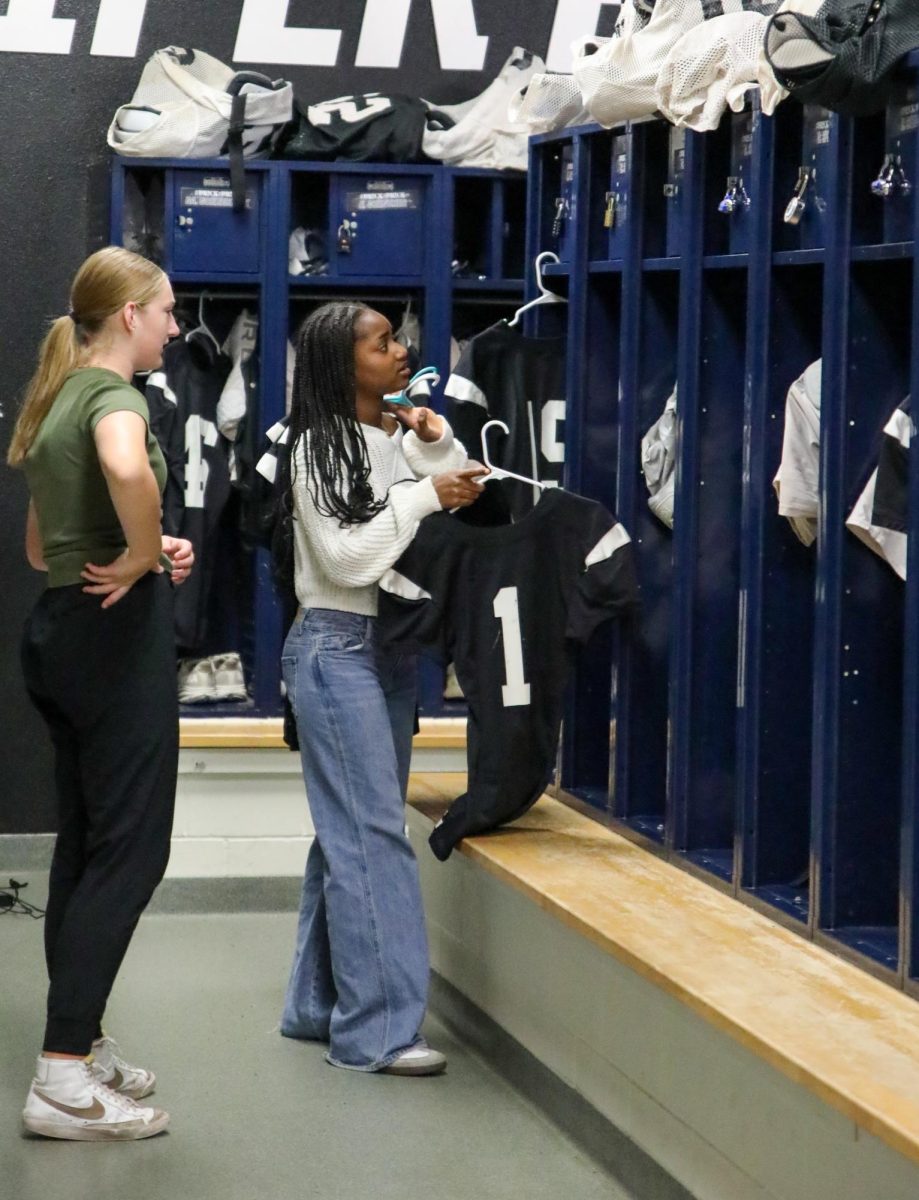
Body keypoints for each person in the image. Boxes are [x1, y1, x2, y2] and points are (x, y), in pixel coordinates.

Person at [7, 246, 194, 1141]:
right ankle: (61, 1079)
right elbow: (127, 471)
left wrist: (148, 547)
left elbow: (46, 549)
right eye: (165, 311)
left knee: (87, 848)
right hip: (113, 644)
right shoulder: (117, 399)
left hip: (60, 633)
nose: (173, 325)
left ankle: (78, 1040)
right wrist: (142, 551)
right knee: (132, 852)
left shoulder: (56, 398)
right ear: (128, 316)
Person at [279, 301, 486, 1076]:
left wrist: (435, 447)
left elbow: (458, 490)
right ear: (343, 362)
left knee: (350, 834)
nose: (400, 352)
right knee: (372, 840)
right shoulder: (315, 448)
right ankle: (377, 1034)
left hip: (387, 650)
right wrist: (425, 492)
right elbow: (349, 560)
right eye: (382, 343)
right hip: (336, 648)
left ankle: (313, 1006)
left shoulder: (383, 439)